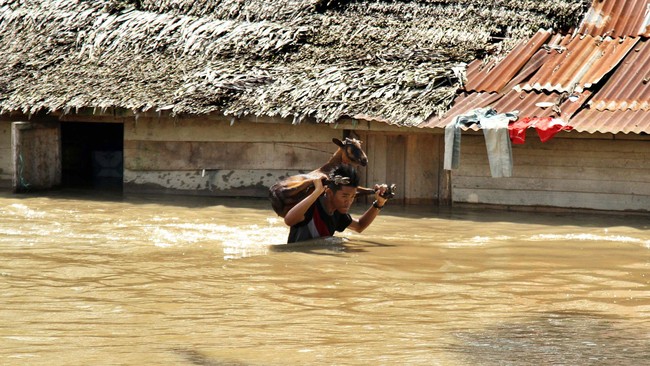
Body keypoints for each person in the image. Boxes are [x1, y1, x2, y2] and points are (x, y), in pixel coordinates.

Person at [284, 164, 390, 243]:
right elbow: (288, 220)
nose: (348, 202)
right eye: (344, 196)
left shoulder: (338, 213)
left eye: (352, 197)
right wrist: (316, 192)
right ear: (329, 193)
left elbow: (359, 226)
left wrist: (379, 203)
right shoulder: (311, 205)